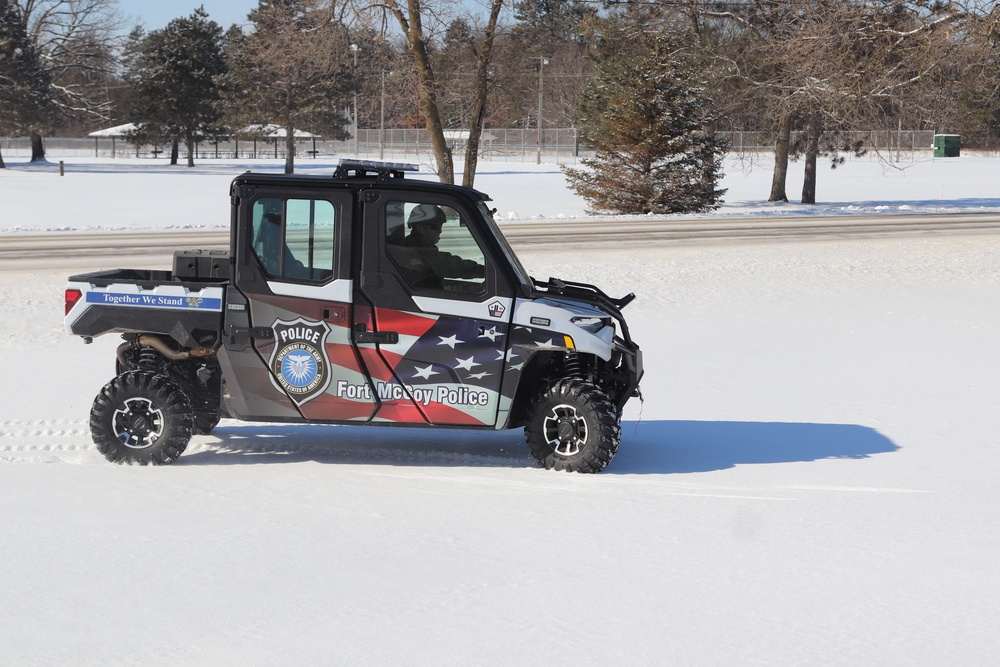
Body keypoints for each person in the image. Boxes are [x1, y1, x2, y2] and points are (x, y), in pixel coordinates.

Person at [388, 204, 484, 289]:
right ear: (419, 227)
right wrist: (484, 271)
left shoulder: (420, 246)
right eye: (435, 227)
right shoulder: (415, 250)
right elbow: (449, 265)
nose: (440, 231)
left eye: (440, 226)